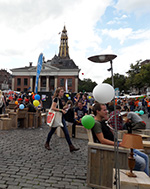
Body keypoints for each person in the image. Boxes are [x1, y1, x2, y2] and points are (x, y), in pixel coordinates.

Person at [92, 103, 149, 176]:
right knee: (142, 162)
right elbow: (102, 140)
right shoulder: (97, 123)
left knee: (145, 157)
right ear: (98, 111)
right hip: (115, 147)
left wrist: (108, 124)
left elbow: (113, 134)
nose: (107, 112)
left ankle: (147, 181)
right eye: (104, 110)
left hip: (118, 144)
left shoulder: (103, 122)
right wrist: (119, 144)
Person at [45, 87, 79, 152]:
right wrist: (61, 110)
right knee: (52, 131)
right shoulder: (56, 99)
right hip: (57, 117)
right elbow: (53, 107)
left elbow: (59, 107)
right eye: (61, 91)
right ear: (58, 93)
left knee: (66, 132)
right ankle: (47, 143)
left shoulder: (60, 99)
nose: (63, 93)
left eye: (63, 91)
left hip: (61, 117)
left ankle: (71, 146)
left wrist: (64, 108)